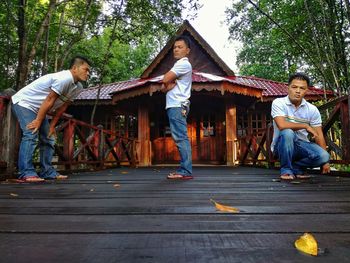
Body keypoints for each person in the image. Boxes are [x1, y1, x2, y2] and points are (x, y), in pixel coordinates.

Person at [11, 56, 91, 182]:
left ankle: (47, 172)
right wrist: (38, 121)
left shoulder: (79, 87)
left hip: (40, 109)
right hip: (25, 103)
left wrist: (52, 126)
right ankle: (26, 173)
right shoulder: (64, 78)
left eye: (89, 72)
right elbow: (49, 100)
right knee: (31, 134)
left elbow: (63, 107)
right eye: (86, 69)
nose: (88, 74)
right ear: (75, 68)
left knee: (49, 138)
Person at [271, 72, 330, 180]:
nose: (298, 91)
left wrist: (325, 162)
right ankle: (286, 170)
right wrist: (305, 126)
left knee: (324, 156)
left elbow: (319, 135)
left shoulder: (312, 109)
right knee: (287, 132)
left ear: (306, 90)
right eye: (294, 87)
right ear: (288, 88)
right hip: (281, 147)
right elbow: (282, 125)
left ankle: (296, 166)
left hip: (301, 147)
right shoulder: (278, 103)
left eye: (302, 88)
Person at [161, 35, 193, 180]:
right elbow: (163, 87)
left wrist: (166, 83)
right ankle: (184, 169)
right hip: (176, 105)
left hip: (177, 105)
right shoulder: (178, 65)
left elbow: (164, 80)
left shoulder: (183, 64)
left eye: (180, 47)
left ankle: (186, 171)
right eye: (174, 47)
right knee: (180, 137)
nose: (176, 49)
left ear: (188, 50)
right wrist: (166, 85)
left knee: (181, 138)